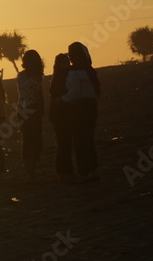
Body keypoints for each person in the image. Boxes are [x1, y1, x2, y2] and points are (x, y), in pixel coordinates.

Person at [62, 42, 100, 182]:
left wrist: (61, 99)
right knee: (88, 139)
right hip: (91, 107)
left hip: (79, 108)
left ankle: (85, 171)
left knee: (80, 140)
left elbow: (74, 93)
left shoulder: (74, 73)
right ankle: (93, 170)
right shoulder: (89, 71)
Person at [16, 50, 45, 181]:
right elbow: (37, 92)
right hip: (30, 108)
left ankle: (30, 171)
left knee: (28, 140)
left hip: (24, 109)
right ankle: (30, 172)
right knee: (31, 140)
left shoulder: (23, 76)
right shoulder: (32, 77)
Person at [49, 53, 74, 182]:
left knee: (64, 144)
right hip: (60, 115)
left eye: (67, 62)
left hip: (63, 114)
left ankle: (63, 172)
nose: (67, 65)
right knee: (64, 144)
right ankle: (65, 173)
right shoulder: (60, 78)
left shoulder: (61, 77)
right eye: (64, 63)